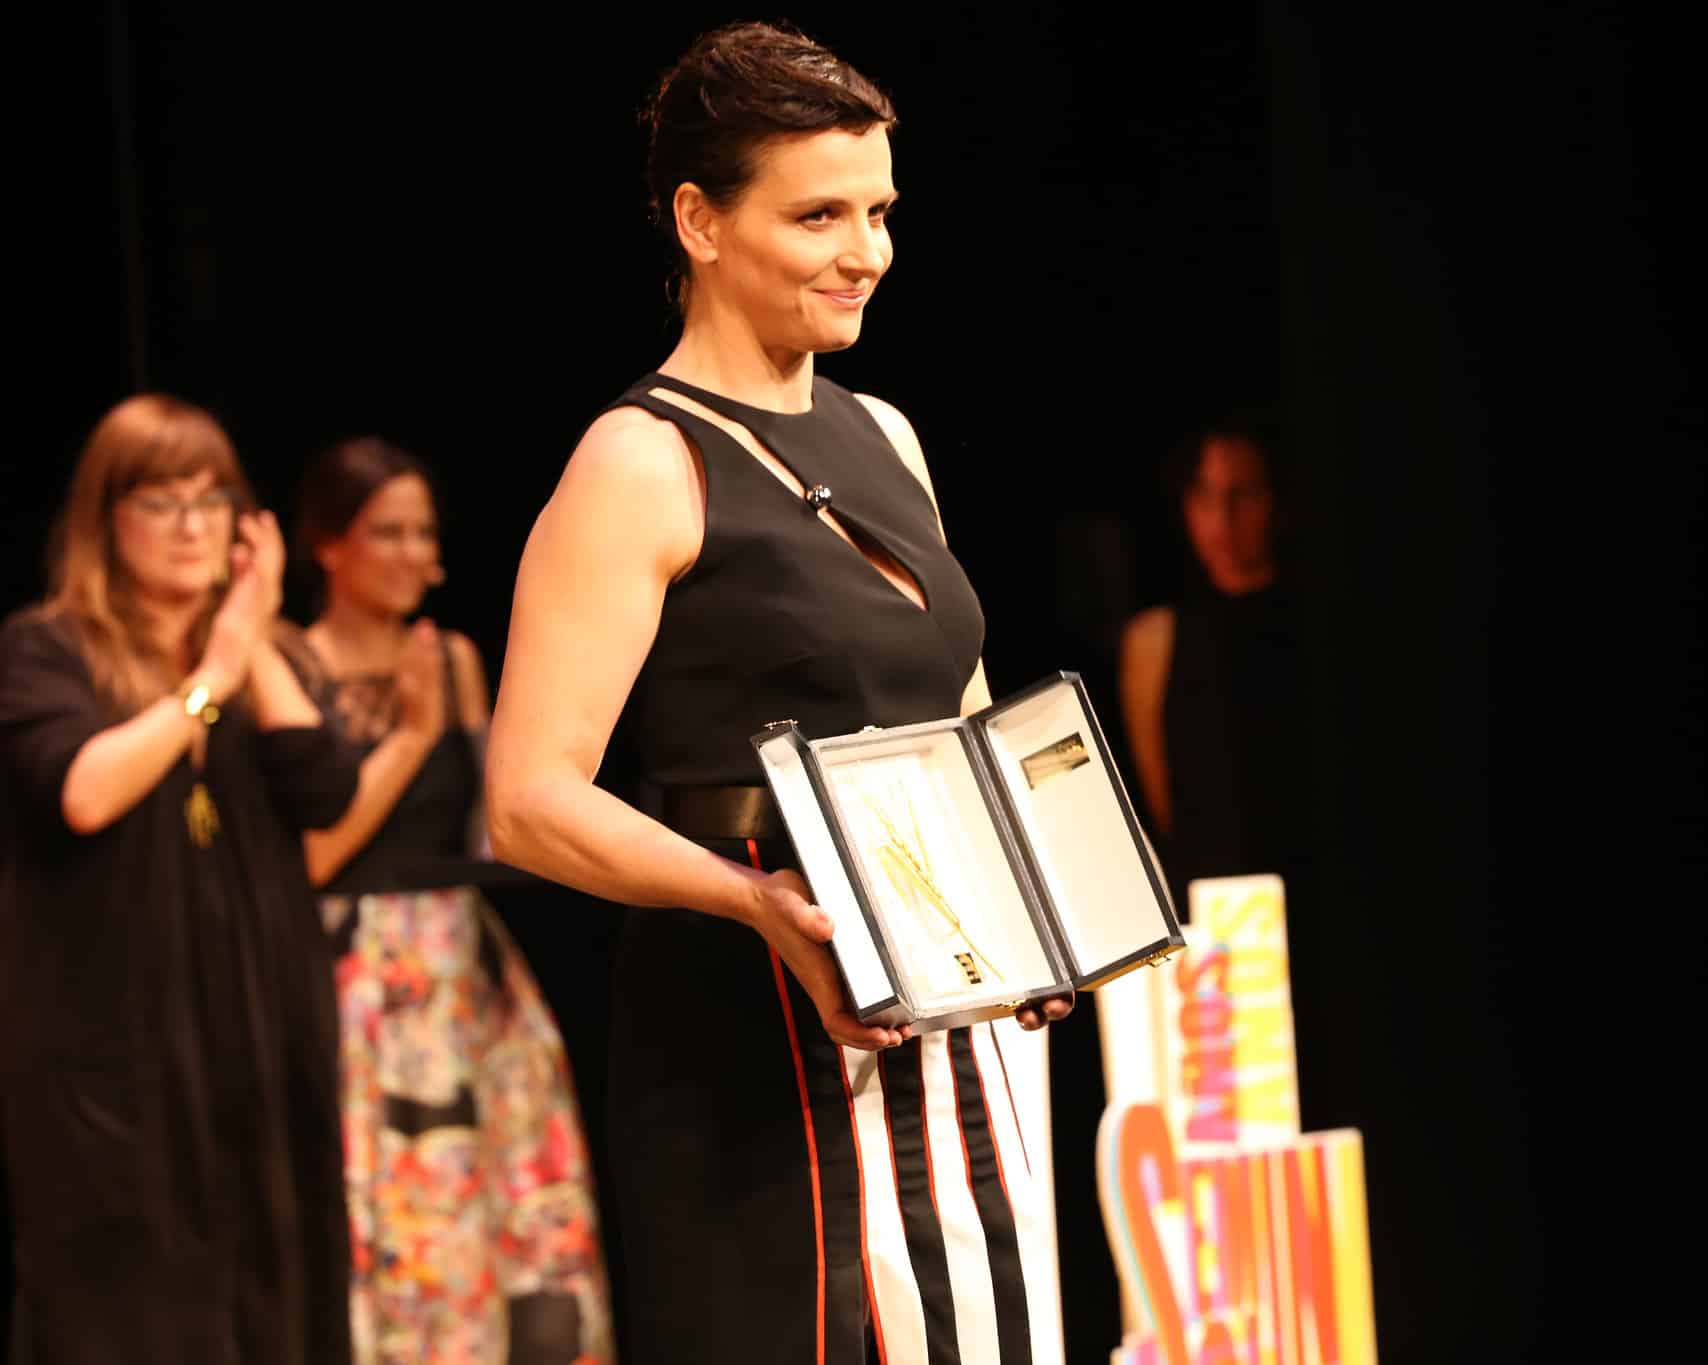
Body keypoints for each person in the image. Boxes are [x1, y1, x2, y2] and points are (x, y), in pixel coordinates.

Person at [484, 22, 1068, 1364]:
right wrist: (757, 905)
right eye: (818, 216)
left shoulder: (886, 434)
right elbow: (527, 801)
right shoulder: (639, 460)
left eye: (879, 212)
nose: (867, 251)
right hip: (748, 1015)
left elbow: (964, 722)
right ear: (700, 221)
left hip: (936, 992)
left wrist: (1038, 902)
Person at [0, 394, 355, 1363]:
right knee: (135, 1303)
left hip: (259, 1033)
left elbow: (324, 789)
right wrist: (211, 677)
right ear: (105, 519)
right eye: (162, 503)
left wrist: (253, 635)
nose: (193, 527)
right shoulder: (47, 647)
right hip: (114, 1052)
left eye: (213, 501)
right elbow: (83, 792)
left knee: (276, 1286)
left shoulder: (263, 660)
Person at [282, 437, 612, 1364]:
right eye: (386, 532)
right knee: (385, 1199)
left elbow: (486, 823)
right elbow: (313, 855)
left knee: (499, 1197)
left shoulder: (454, 657)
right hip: (354, 971)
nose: (413, 554)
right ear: (329, 544)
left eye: (423, 532)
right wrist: (412, 731)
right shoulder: (292, 664)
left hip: (464, 965)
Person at [1118, 424, 1306, 906]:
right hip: (1216, 906)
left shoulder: (1310, 622)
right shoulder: (1155, 638)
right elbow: (1162, 808)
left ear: (1275, 501)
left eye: (1243, 495)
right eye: (1205, 496)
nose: (1223, 517)